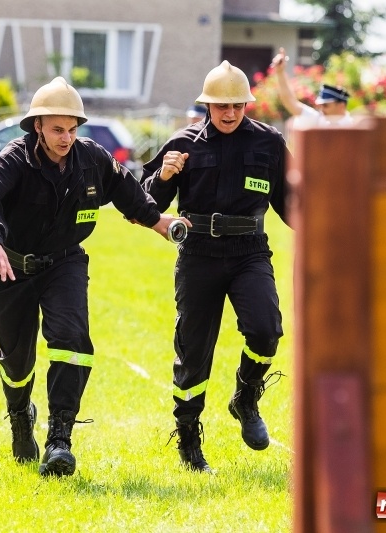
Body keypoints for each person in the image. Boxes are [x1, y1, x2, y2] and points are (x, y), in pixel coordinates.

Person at [0, 77, 189, 477]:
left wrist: (159, 222)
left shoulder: (92, 158)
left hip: (64, 263)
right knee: (16, 360)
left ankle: (59, 440)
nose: (66, 138)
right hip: (11, 266)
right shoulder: (15, 159)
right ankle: (20, 414)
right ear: (38, 126)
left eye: (72, 129)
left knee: (72, 340)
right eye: (57, 129)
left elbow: (128, 192)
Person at [141, 61, 290, 473]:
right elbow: (144, 202)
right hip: (198, 255)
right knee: (193, 351)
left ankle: (245, 398)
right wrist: (163, 176)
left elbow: (296, 204)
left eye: (237, 105)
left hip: (249, 251)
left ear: (246, 103)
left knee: (265, 328)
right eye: (220, 106)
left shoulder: (270, 144)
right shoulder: (183, 142)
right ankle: (189, 439)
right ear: (207, 105)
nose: (229, 113)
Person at [271, 47, 354, 127]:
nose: (322, 110)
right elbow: (290, 102)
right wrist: (280, 72)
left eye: (326, 105)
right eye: (321, 106)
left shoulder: (354, 126)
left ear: (341, 106)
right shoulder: (317, 120)